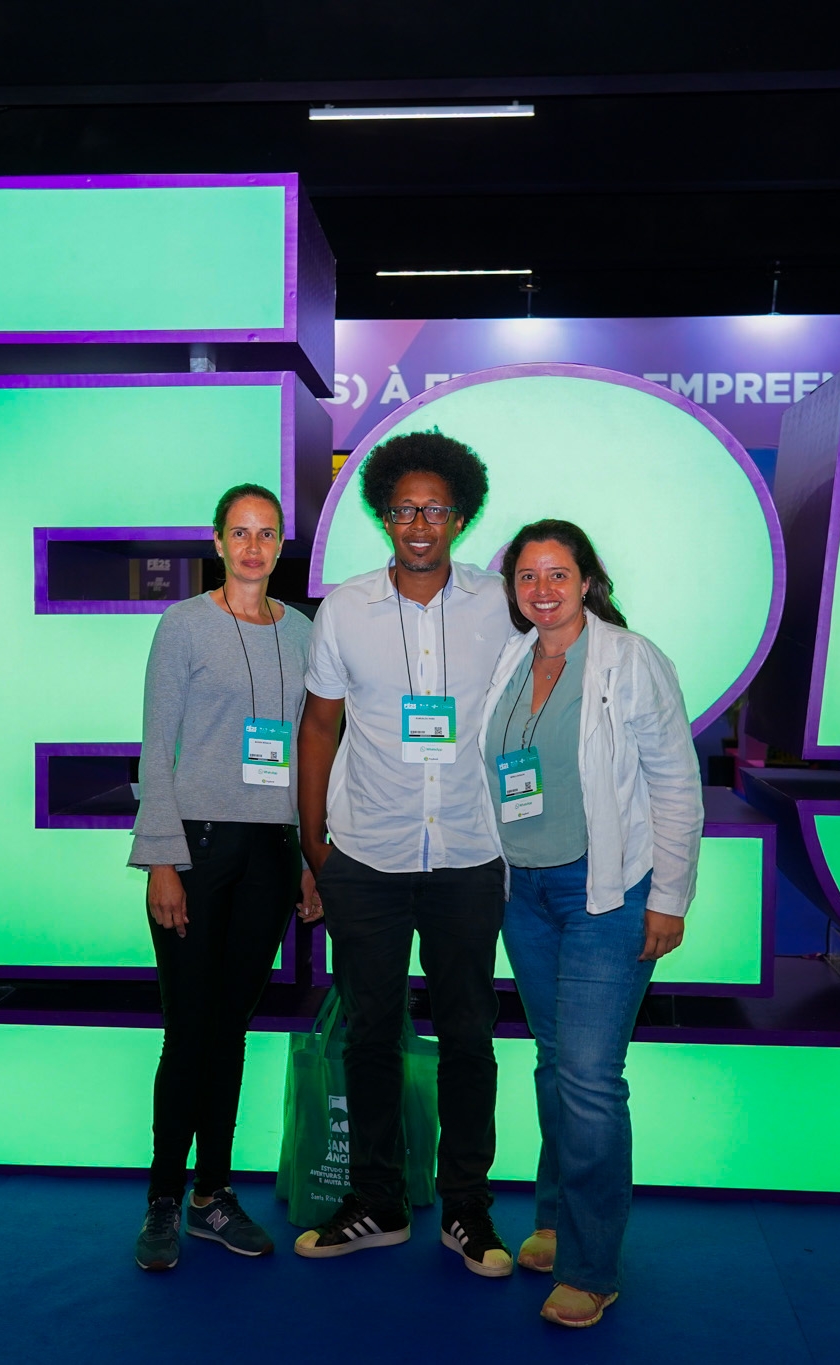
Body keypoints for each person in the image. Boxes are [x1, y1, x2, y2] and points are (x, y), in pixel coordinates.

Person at [293, 430, 523, 1274]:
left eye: (435, 510)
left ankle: (467, 1209)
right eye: (403, 510)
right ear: (382, 515)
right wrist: (313, 844)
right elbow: (319, 727)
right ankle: (377, 1201)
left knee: (468, 1035)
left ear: (461, 516)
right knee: (370, 1036)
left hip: (469, 853)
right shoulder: (345, 609)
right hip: (367, 855)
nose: (419, 524)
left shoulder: (501, 603)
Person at [480, 520, 704, 1329]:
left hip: (605, 891)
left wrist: (670, 895)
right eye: (527, 576)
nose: (542, 590)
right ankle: (553, 1218)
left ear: (586, 581)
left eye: (558, 574)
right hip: (524, 892)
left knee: (589, 1075)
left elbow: (676, 783)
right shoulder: (511, 660)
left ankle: (591, 1264)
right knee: (555, 1062)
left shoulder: (630, 659)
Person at [129, 483, 317, 1271]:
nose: (253, 546)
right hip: (196, 850)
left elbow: (308, 752)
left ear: (281, 544)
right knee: (189, 1028)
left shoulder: (302, 632)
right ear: (217, 541)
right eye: (239, 532)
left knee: (229, 1027)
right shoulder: (183, 624)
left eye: (266, 533)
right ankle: (163, 1198)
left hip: (271, 852)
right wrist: (162, 859)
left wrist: (307, 858)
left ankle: (212, 1193)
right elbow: (155, 745)